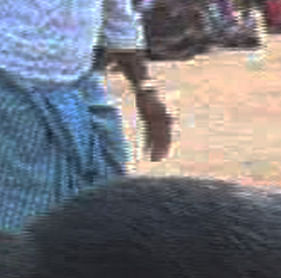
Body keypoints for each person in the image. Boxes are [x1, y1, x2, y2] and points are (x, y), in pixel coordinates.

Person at [1, 0, 173, 236]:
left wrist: (146, 91)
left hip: (79, 87)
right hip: (10, 88)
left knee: (106, 190)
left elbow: (119, 20)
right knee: (22, 203)